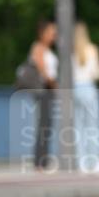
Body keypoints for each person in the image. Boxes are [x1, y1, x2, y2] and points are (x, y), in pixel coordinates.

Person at [72, 22, 99, 172]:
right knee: (92, 127)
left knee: (78, 127)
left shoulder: (71, 52)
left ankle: (82, 164)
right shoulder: (93, 49)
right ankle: (95, 162)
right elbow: (97, 73)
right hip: (88, 88)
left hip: (74, 89)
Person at [29, 20, 58, 170]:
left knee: (46, 125)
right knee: (44, 125)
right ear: (42, 33)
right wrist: (56, 86)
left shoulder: (48, 50)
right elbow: (44, 72)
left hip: (48, 91)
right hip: (44, 90)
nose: (54, 36)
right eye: (52, 32)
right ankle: (40, 161)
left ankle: (42, 159)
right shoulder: (38, 48)